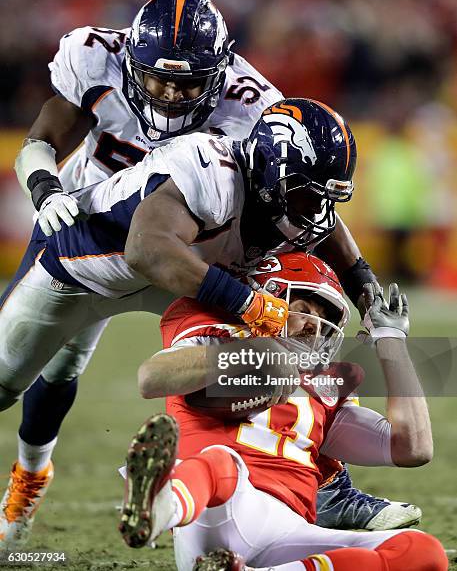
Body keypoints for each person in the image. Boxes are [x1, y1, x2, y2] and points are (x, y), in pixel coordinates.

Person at [1, 98, 365, 548]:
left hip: (179, 278)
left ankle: (320, 481)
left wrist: (362, 283)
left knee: (273, 355)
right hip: (79, 269)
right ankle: (30, 475)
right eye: (308, 195)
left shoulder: (282, 193)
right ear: (271, 168)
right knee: (10, 384)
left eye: (325, 198)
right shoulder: (210, 169)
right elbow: (147, 251)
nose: (315, 211)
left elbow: (327, 233)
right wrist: (254, 305)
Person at [118, 258, 445, 571]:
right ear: (267, 303)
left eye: (321, 319)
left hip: (287, 530)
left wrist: (392, 342)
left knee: (422, 551)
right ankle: (162, 508)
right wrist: (252, 355)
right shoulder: (221, 339)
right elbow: (152, 378)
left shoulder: (325, 389)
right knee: (222, 462)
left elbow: (413, 448)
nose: (313, 327)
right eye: (302, 311)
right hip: (210, 510)